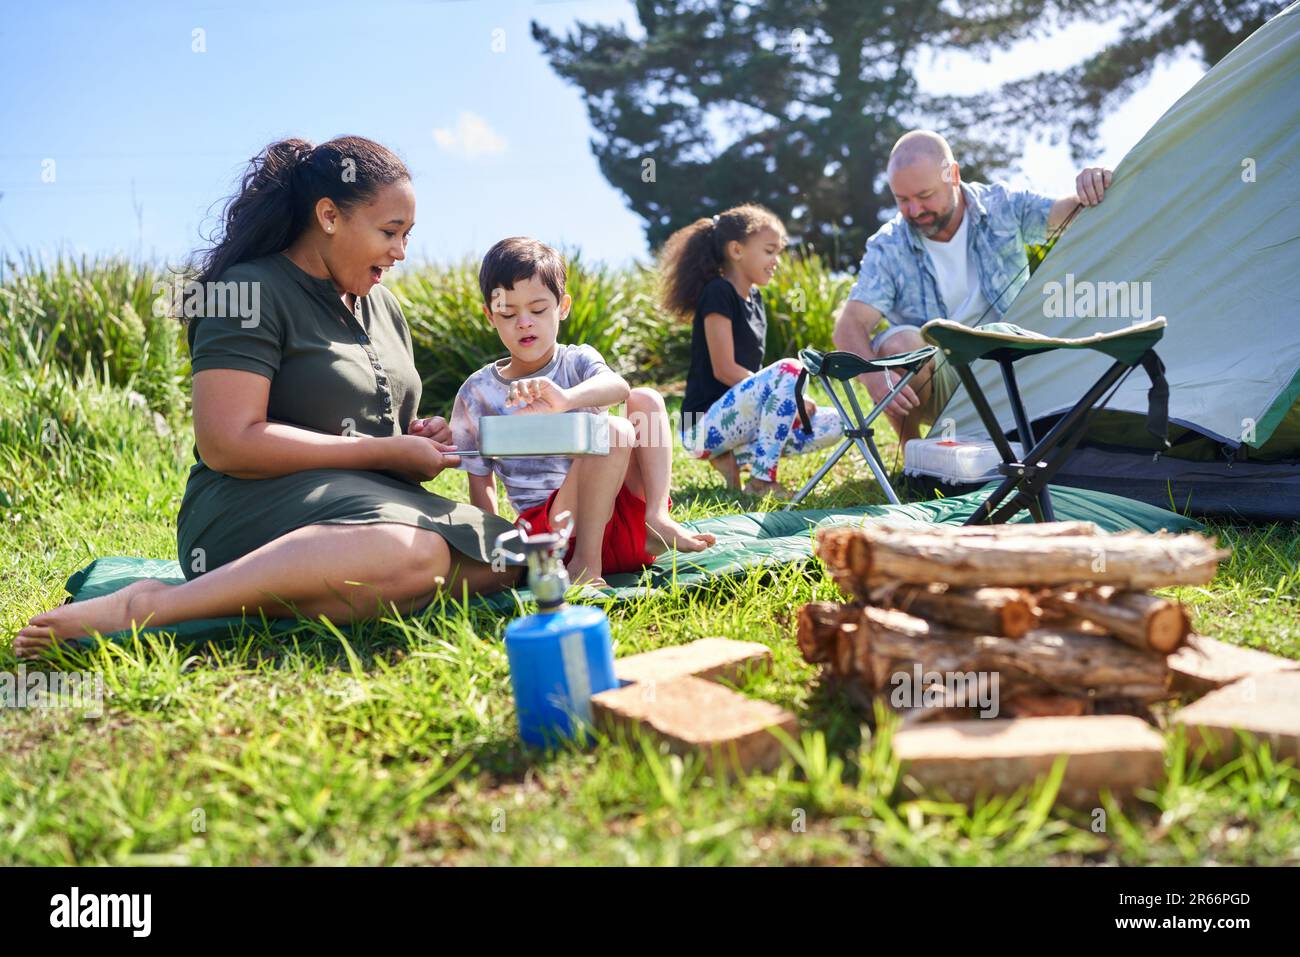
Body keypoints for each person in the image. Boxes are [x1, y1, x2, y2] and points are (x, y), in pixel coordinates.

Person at [16, 136, 519, 658]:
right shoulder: (249, 292)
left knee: (510, 555)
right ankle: (149, 607)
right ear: (328, 215)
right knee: (413, 556)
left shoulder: (385, 307)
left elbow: (389, 436)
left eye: (407, 235)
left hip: (369, 504)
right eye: (390, 232)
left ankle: (291, 592)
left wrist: (417, 440)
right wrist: (382, 452)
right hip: (252, 502)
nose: (401, 252)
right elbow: (228, 443)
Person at [451, 237, 714, 587]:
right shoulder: (477, 393)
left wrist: (565, 400)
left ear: (562, 307)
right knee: (614, 431)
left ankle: (656, 519)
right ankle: (585, 565)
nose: (525, 322)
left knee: (646, 399)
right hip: (550, 536)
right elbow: (479, 482)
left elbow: (618, 387)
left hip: (619, 530)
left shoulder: (577, 361)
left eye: (539, 309)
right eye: (508, 313)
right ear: (490, 315)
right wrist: (494, 556)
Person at [832, 129, 1113, 447]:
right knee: (897, 345)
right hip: (942, 382)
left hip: (1013, 365)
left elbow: (1069, 213)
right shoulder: (888, 245)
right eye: (902, 200)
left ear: (952, 174)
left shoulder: (1001, 206)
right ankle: (911, 455)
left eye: (925, 196)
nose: (914, 210)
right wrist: (872, 377)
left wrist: (1091, 186)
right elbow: (850, 325)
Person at [662, 204, 844, 500]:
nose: (776, 261)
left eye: (779, 252)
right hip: (701, 427)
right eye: (769, 251)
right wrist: (789, 390)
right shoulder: (718, 293)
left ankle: (735, 456)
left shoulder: (756, 298)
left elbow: (757, 381)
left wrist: (791, 400)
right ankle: (761, 480)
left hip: (739, 422)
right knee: (791, 370)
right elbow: (724, 369)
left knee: (838, 422)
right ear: (737, 250)